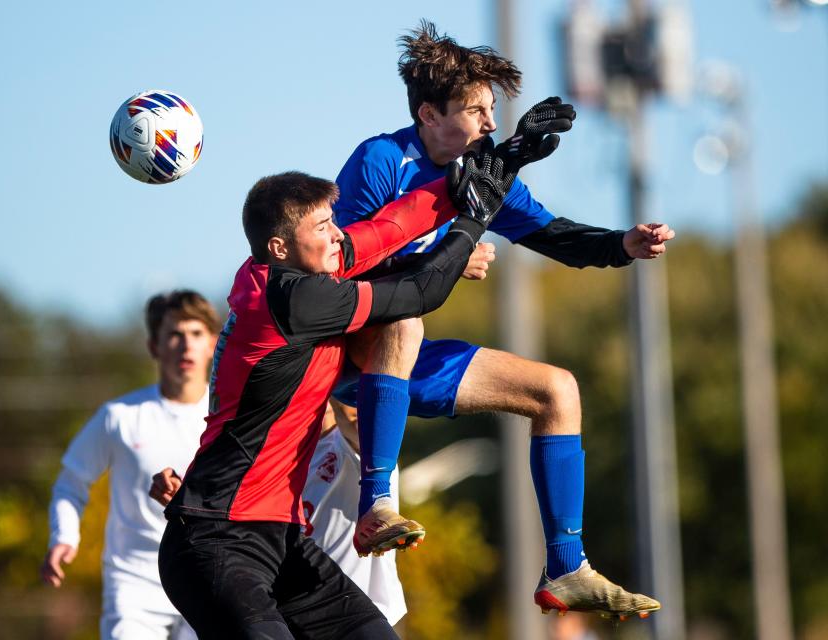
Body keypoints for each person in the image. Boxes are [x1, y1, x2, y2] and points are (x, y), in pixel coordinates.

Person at [330, 20, 669, 618]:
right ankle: (375, 504)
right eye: (477, 109)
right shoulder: (381, 159)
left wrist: (624, 244)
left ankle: (566, 567)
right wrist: (440, 259)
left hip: (401, 360)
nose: (491, 124)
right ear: (430, 114)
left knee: (557, 389)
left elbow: (555, 235)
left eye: (493, 111)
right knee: (404, 321)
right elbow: (344, 272)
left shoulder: (484, 177)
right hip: (343, 353)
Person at [157, 142, 531, 640]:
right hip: (214, 541)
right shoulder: (294, 300)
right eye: (322, 228)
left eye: (333, 221)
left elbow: (388, 228)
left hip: (282, 541)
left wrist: (481, 173)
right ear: (280, 247)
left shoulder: (301, 269)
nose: (338, 235)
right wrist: (473, 218)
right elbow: (422, 292)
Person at [41, 290, 220, 640]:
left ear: (213, 343)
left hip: (208, 579)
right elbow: (71, 482)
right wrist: (64, 535)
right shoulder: (120, 417)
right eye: (174, 334)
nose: (186, 345)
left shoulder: (230, 416)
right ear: (154, 346)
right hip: (135, 586)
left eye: (196, 334)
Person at [149, 400, 407, 628]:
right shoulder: (272, 457)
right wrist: (195, 499)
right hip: (296, 615)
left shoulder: (355, 446)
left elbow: (361, 419)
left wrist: (332, 378)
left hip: (358, 616)